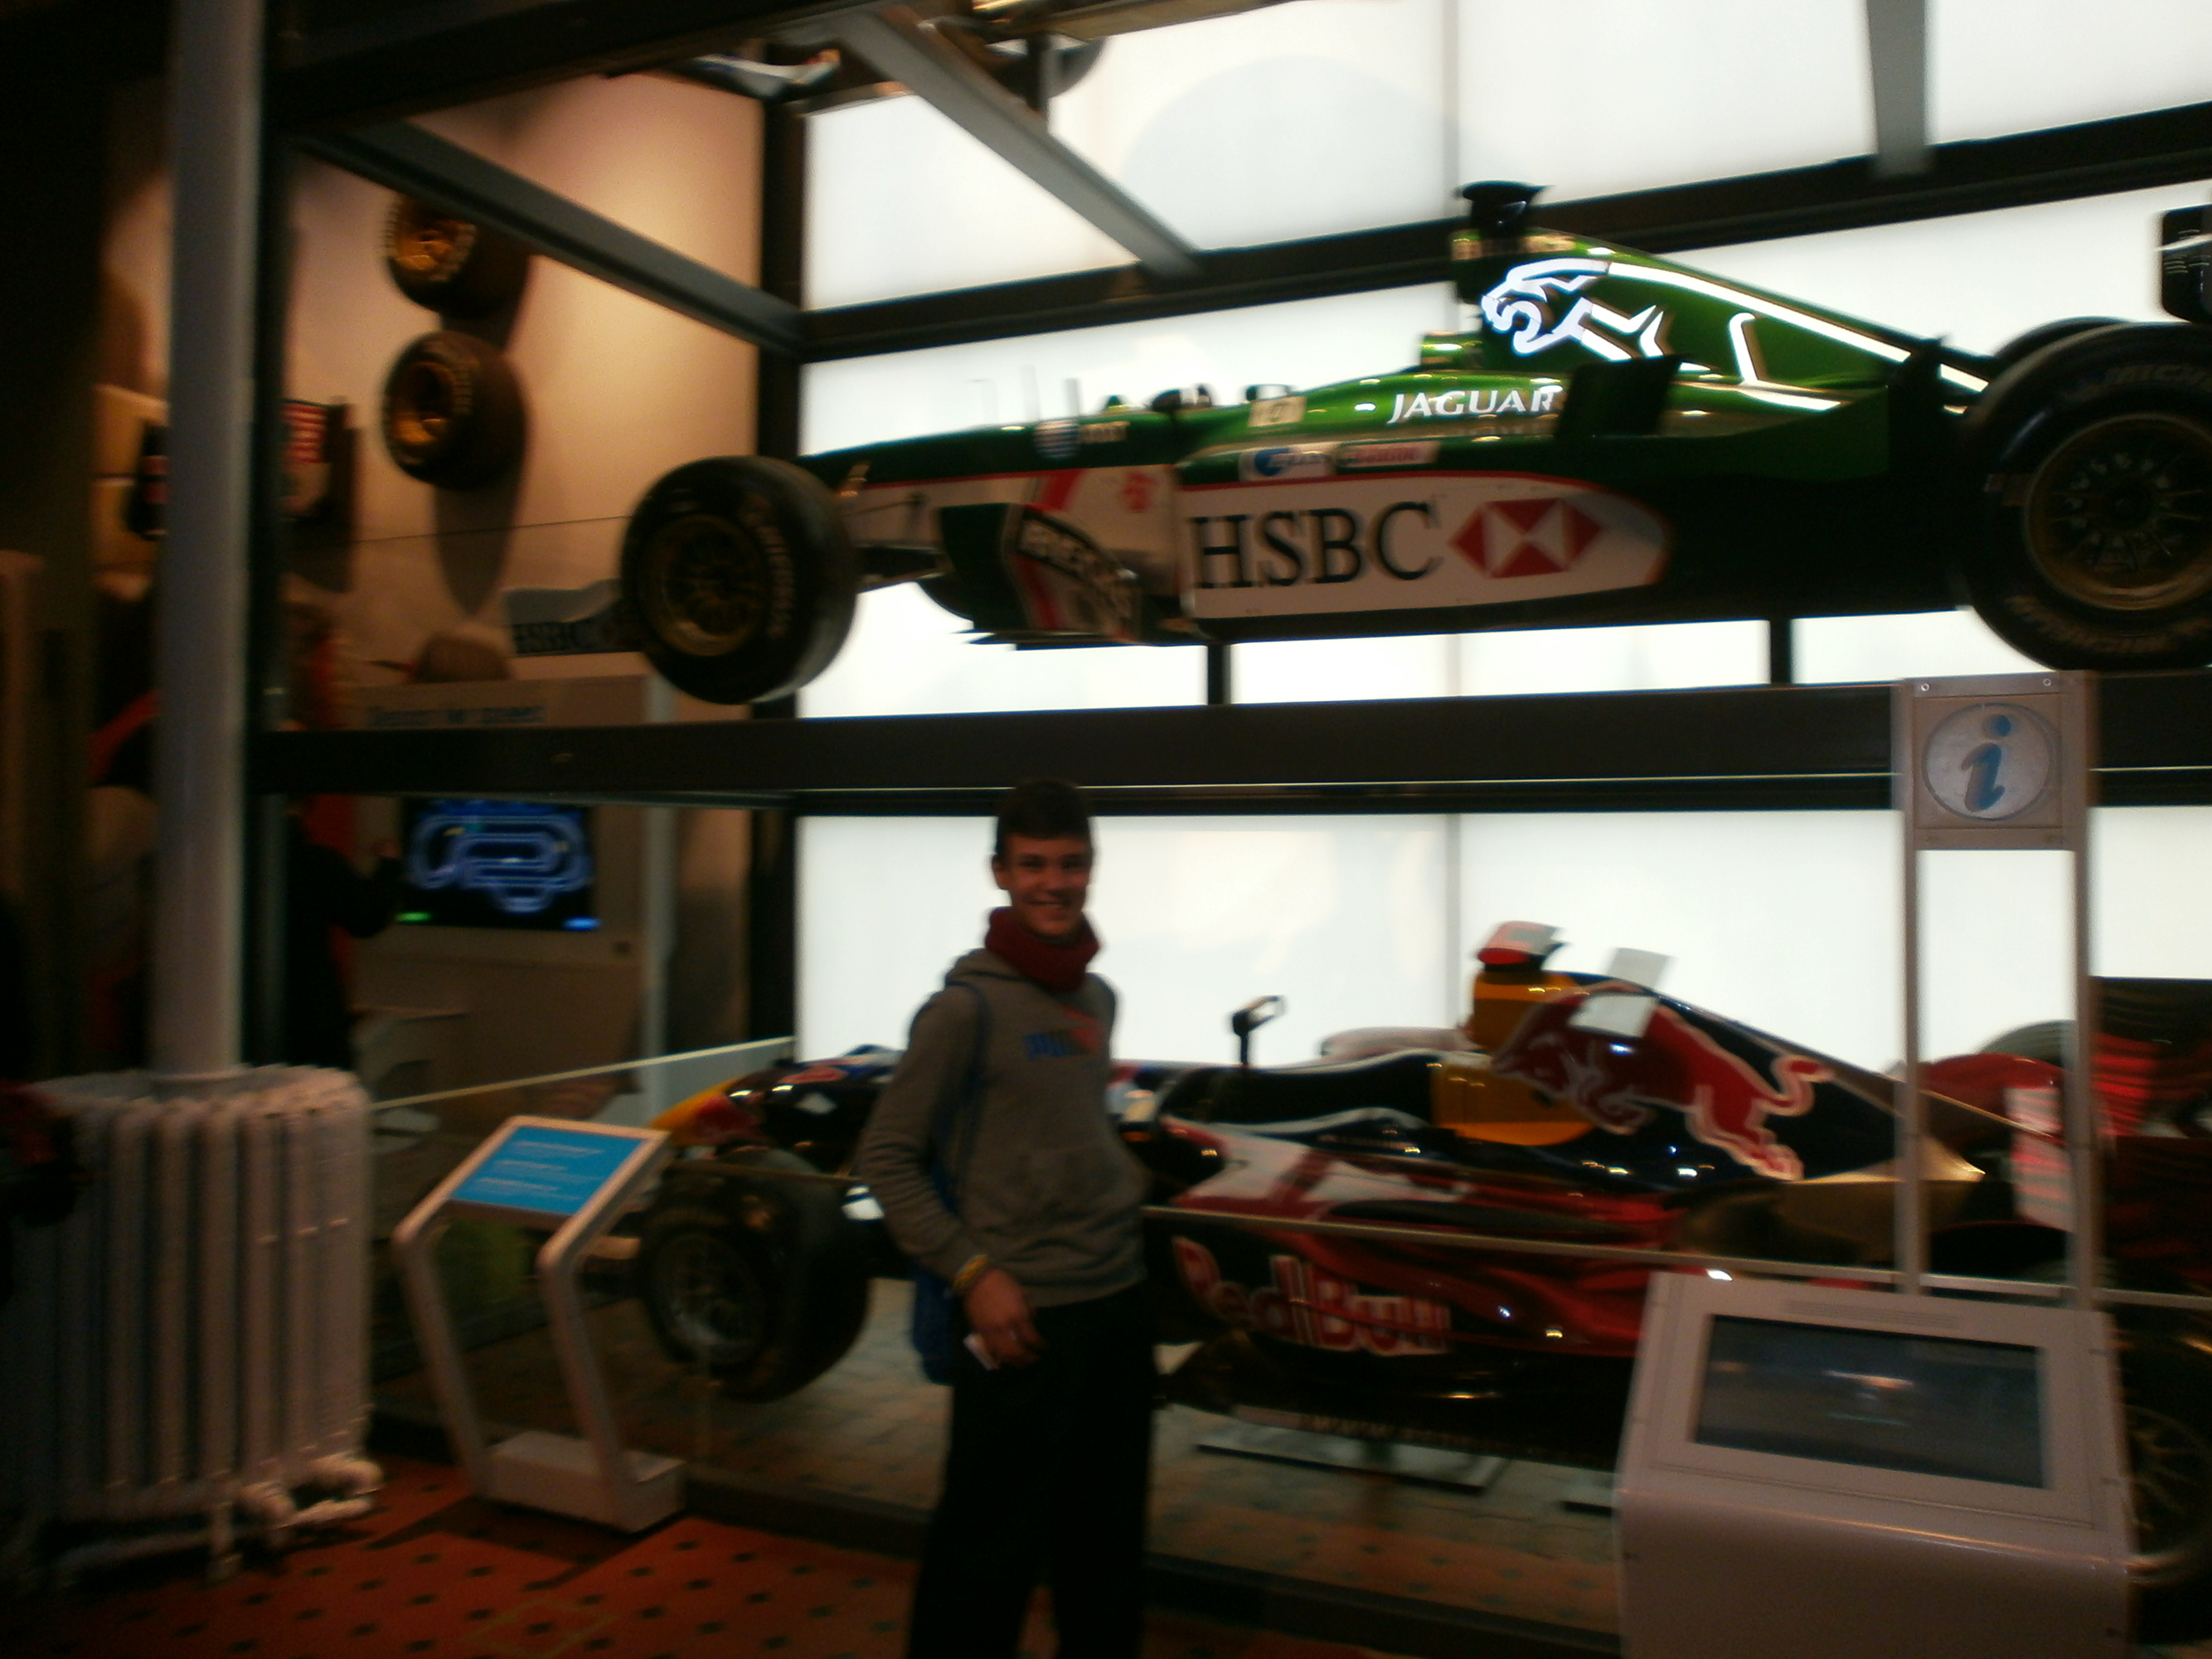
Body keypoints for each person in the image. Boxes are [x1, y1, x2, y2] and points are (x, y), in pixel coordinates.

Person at [856, 779, 1153, 1659]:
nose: (1053, 883)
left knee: (1106, 1547)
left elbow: (1072, 1128)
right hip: (1020, 1321)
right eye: (1033, 865)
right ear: (1000, 873)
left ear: (1092, 868)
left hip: (1115, 1305)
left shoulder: (1097, 1000)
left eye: (1069, 864)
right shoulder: (963, 1011)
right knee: (985, 1556)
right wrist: (974, 1275)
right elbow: (886, 1159)